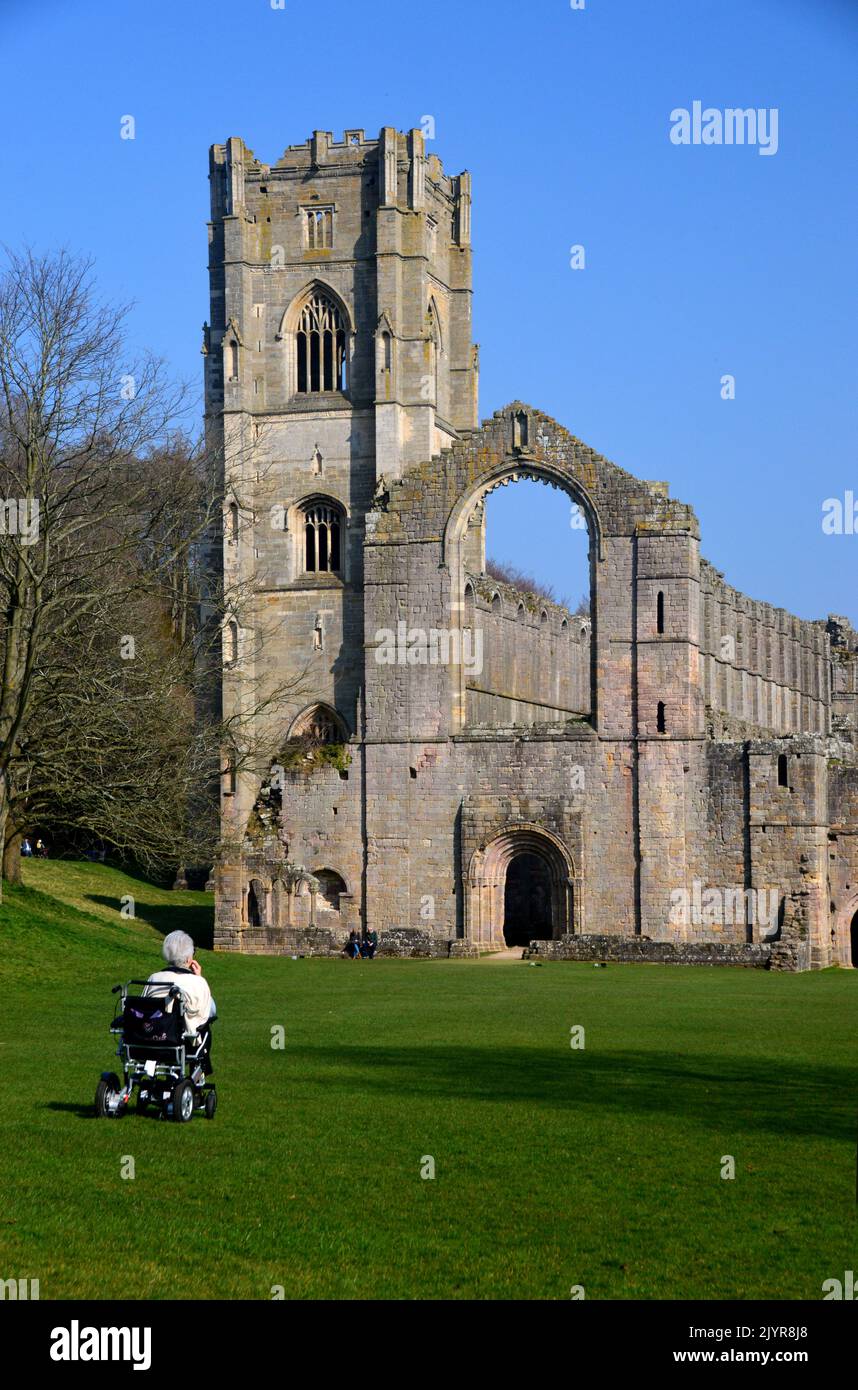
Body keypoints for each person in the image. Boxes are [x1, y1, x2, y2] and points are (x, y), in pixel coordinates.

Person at [144, 931, 216, 1073]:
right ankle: (200, 1069)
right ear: (189, 959)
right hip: (182, 1040)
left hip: (154, 1037)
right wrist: (199, 977)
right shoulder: (196, 982)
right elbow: (211, 1011)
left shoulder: (154, 978)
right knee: (205, 1028)